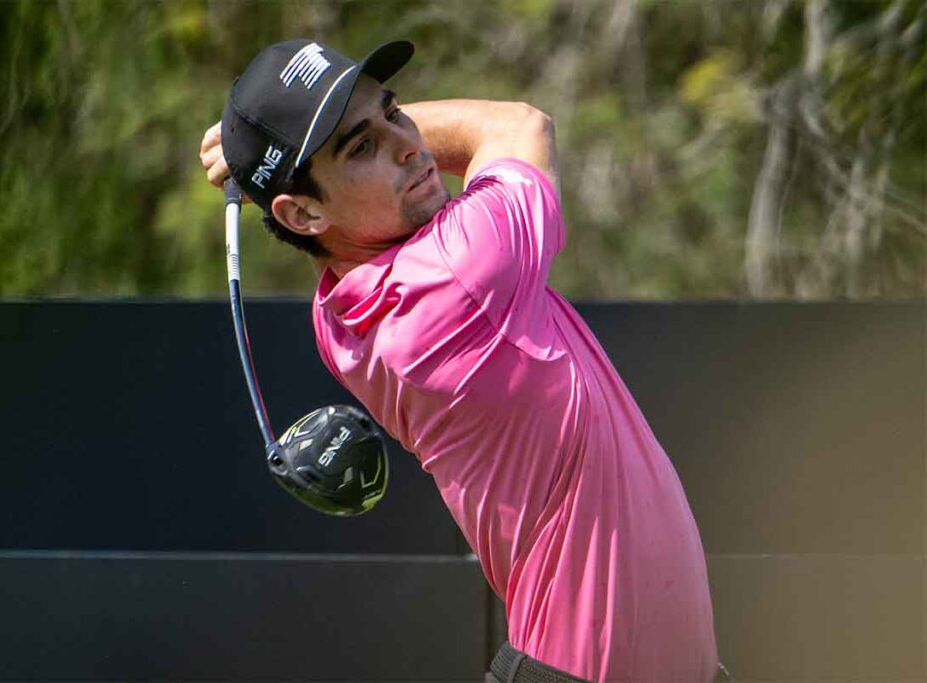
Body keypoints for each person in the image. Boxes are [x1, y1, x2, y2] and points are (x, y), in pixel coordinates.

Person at [199, 39, 719, 683]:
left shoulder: (339, 314)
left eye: (394, 112)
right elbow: (518, 125)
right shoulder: (458, 274)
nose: (410, 144)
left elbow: (346, 206)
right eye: (362, 147)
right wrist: (275, 163)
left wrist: (285, 163)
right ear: (302, 212)